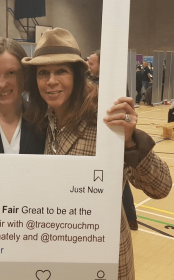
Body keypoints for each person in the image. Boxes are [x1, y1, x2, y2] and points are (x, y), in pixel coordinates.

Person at [22, 28, 172, 280]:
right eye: (43, 73)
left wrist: (130, 141)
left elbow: (162, 187)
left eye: (61, 71)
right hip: (60, 252)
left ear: (78, 76)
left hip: (105, 256)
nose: (51, 81)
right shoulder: (43, 121)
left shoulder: (105, 122)